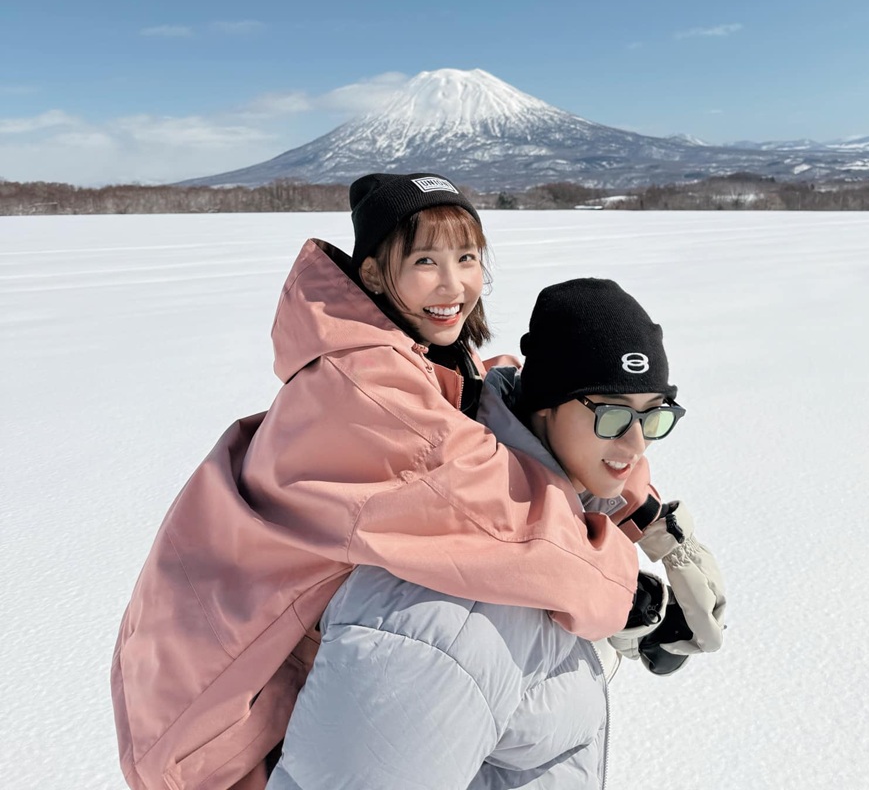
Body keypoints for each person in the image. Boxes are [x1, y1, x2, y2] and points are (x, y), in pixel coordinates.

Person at [112, 176, 664, 790]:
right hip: (228, 730)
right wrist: (625, 591)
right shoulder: (367, 391)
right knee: (455, 613)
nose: (453, 284)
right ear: (373, 275)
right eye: (425, 261)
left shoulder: (406, 360)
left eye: (468, 258)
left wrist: (646, 513)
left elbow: (497, 399)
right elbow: (507, 520)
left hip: (261, 678)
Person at [267, 278, 726, 790]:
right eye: (614, 414)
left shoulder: (563, 526)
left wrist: (657, 550)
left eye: (654, 415)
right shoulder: (443, 622)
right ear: (547, 403)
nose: (637, 443)